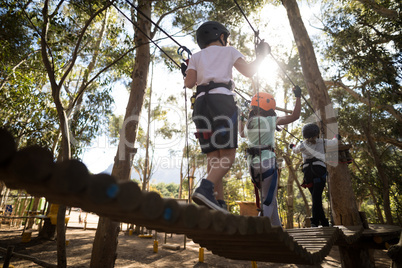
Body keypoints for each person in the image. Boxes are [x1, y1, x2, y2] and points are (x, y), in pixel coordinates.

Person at [183, 21, 270, 213]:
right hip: (222, 101)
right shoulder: (229, 51)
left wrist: (187, 71)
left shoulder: (196, 56)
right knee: (228, 155)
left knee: (214, 156)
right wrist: (262, 55)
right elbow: (249, 71)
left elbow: (189, 83)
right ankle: (206, 188)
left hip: (200, 104)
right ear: (221, 37)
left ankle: (217, 201)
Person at [239, 89, 301, 226]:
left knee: (270, 199)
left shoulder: (249, 124)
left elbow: (241, 134)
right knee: (267, 199)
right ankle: (262, 227)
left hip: (252, 165)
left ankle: (277, 229)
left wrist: (241, 119)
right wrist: (298, 97)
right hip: (267, 161)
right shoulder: (271, 120)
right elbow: (295, 116)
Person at [290, 123, 340, 227]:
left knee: (315, 197)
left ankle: (324, 223)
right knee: (316, 198)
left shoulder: (302, 145)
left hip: (308, 173)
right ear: (317, 133)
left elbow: (294, 151)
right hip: (319, 170)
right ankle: (314, 222)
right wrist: (336, 136)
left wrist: (292, 146)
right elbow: (334, 142)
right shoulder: (322, 142)